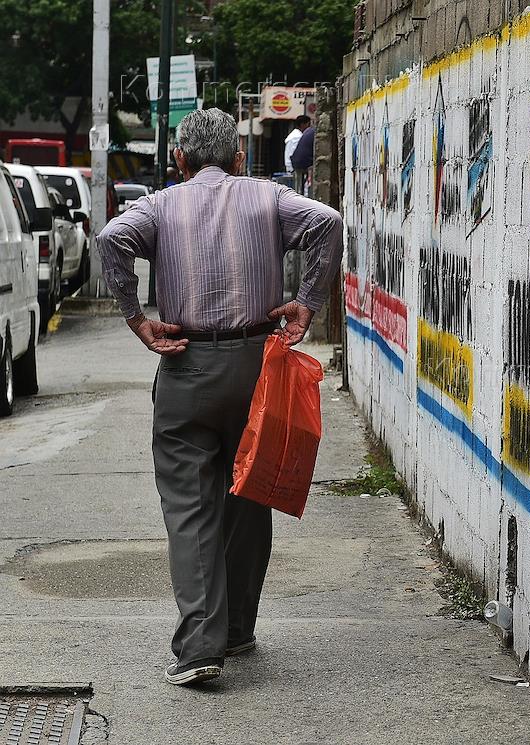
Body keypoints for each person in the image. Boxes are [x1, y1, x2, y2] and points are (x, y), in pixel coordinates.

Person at [96, 108, 343, 687]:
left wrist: (137, 318)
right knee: (249, 493)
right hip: (258, 365)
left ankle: (200, 645)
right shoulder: (268, 197)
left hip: (186, 365)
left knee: (190, 505)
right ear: (238, 157)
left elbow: (110, 240)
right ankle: (235, 629)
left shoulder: (160, 205)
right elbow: (328, 221)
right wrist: (307, 301)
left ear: (179, 159)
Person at [289, 114, 315, 195]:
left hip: (295, 162)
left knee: (299, 188)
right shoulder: (312, 132)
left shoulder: (307, 132)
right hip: (304, 163)